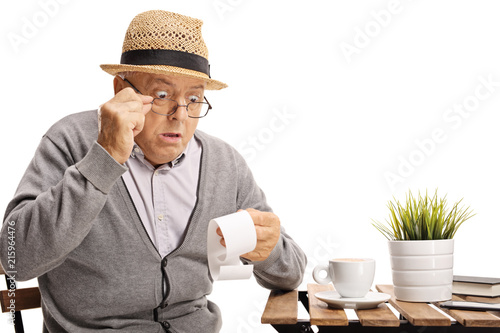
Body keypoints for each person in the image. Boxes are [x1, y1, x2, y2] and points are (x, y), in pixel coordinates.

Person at [0, 9, 306, 333]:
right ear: (121, 90)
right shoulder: (70, 141)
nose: (180, 115)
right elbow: (15, 258)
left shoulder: (224, 164)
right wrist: (104, 159)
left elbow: (292, 272)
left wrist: (269, 248)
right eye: (162, 95)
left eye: (194, 98)